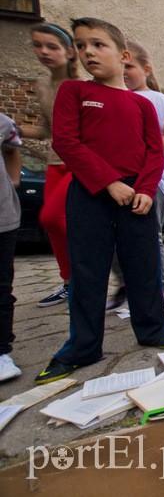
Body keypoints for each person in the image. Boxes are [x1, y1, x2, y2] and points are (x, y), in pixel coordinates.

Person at [36, 18, 164, 384]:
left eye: (98, 45)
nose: (88, 53)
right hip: (91, 190)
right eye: (82, 46)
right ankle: (82, 347)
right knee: (88, 270)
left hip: (138, 194)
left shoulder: (143, 105)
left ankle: (153, 329)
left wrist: (146, 189)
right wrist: (109, 183)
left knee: (142, 265)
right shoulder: (74, 92)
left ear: (122, 54)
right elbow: (66, 143)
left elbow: (154, 151)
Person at [106, 41, 164, 312]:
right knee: (118, 240)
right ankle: (130, 286)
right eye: (121, 65)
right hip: (123, 181)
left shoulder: (156, 99)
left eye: (129, 66)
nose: (124, 71)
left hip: (154, 182)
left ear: (146, 69)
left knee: (150, 238)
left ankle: (159, 292)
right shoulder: (119, 98)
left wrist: (137, 156)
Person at [18, 23, 80, 308]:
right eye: (38, 45)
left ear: (69, 52)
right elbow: (46, 128)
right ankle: (70, 282)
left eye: (51, 46)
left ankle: (88, 271)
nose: (43, 51)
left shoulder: (81, 87)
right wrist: (14, 129)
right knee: (51, 223)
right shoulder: (42, 86)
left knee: (53, 218)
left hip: (79, 162)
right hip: (55, 161)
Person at [0, 114, 22, 382]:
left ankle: (1, 350)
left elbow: (12, 150)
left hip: (3, 218)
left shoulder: (4, 123)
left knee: (2, 287)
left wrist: (13, 182)